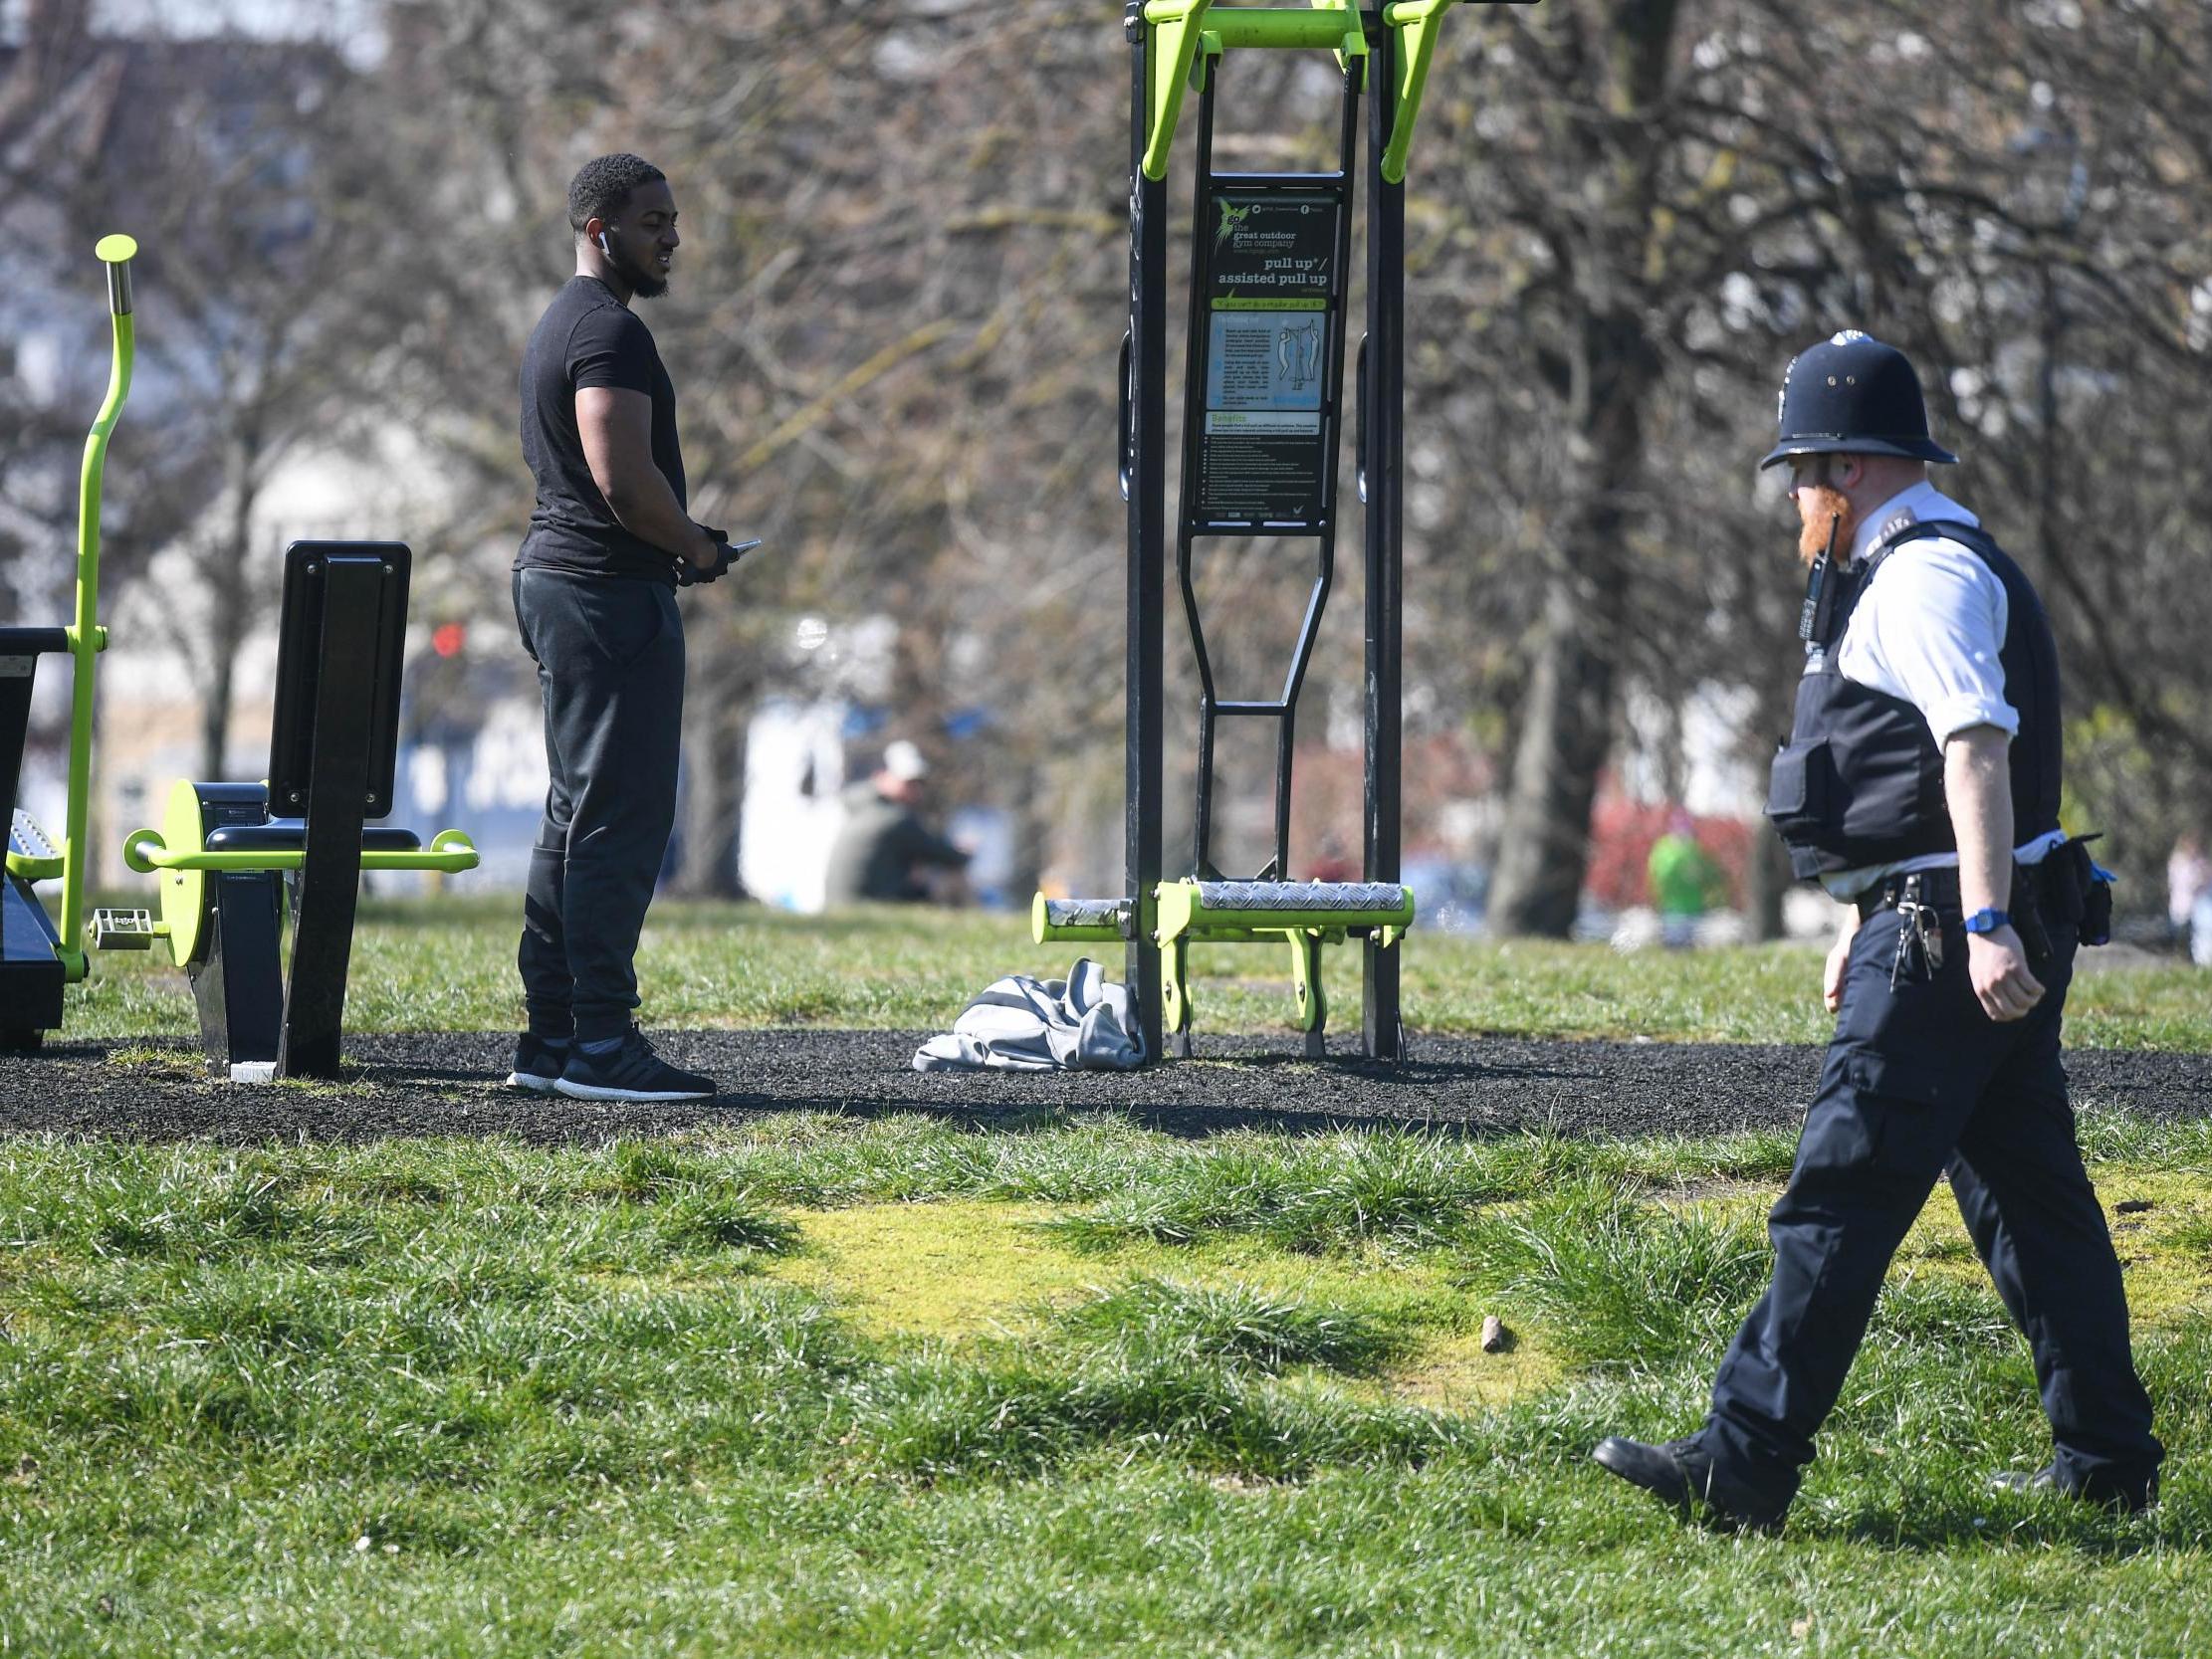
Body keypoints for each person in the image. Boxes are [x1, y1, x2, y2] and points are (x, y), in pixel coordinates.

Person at [1593, 331, 2160, 1531]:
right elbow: (1907, 786)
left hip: (1947, 944)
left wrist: (1983, 914)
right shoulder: (1930, 563)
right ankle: (2107, 1464)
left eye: (1800, 474)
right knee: (2031, 1206)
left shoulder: (1919, 578)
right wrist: (1867, 914)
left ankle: (1740, 1465)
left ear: (1845, 468)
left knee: (1834, 1201)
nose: (1795, 503)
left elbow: (1972, 745)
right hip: (1933, 926)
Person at [506, 153, 751, 1103]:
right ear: (599, 231)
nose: (672, 237)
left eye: (674, 219)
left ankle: (553, 1037)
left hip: (566, 586)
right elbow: (620, 478)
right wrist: (693, 544)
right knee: (618, 817)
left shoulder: (564, 323)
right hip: (606, 596)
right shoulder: (607, 331)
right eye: (653, 221)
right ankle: (601, 1044)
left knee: (575, 814)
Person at [822, 740, 970, 906]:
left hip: (840, 903)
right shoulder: (894, 819)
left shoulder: (858, 807)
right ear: (881, 775)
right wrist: (966, 852)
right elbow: (948, 856)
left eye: (918, 783)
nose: (915, 790)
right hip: (869, 902)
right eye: (908, 783)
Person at [1647, 809, 1722, 949]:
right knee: (1674, 946)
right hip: (1672, 910)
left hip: (1695, 909)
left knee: (1692, 950)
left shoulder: (1695, 849)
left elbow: (1709, 875)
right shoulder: (1664, 848)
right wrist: (1681, 860)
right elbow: (1660, 875)